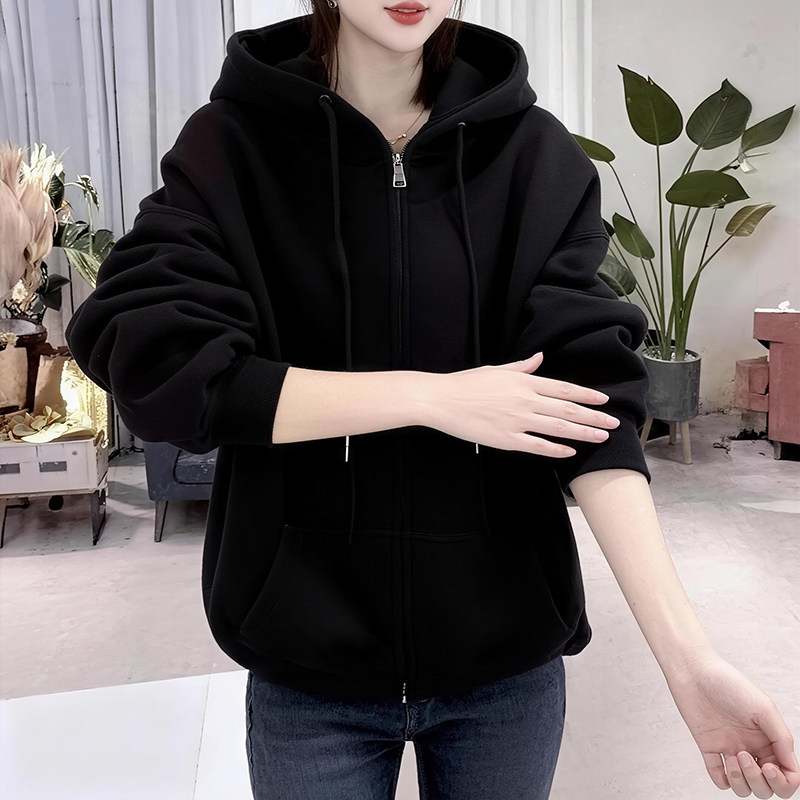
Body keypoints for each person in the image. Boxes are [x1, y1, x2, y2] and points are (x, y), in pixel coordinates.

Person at [64, 1, 799, 798]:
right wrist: (430, 398)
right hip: (309, 672)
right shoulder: (232, 146)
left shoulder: (532, 154)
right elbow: (158, 362)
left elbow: (591, 407)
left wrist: (690, 663)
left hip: (505, 671)